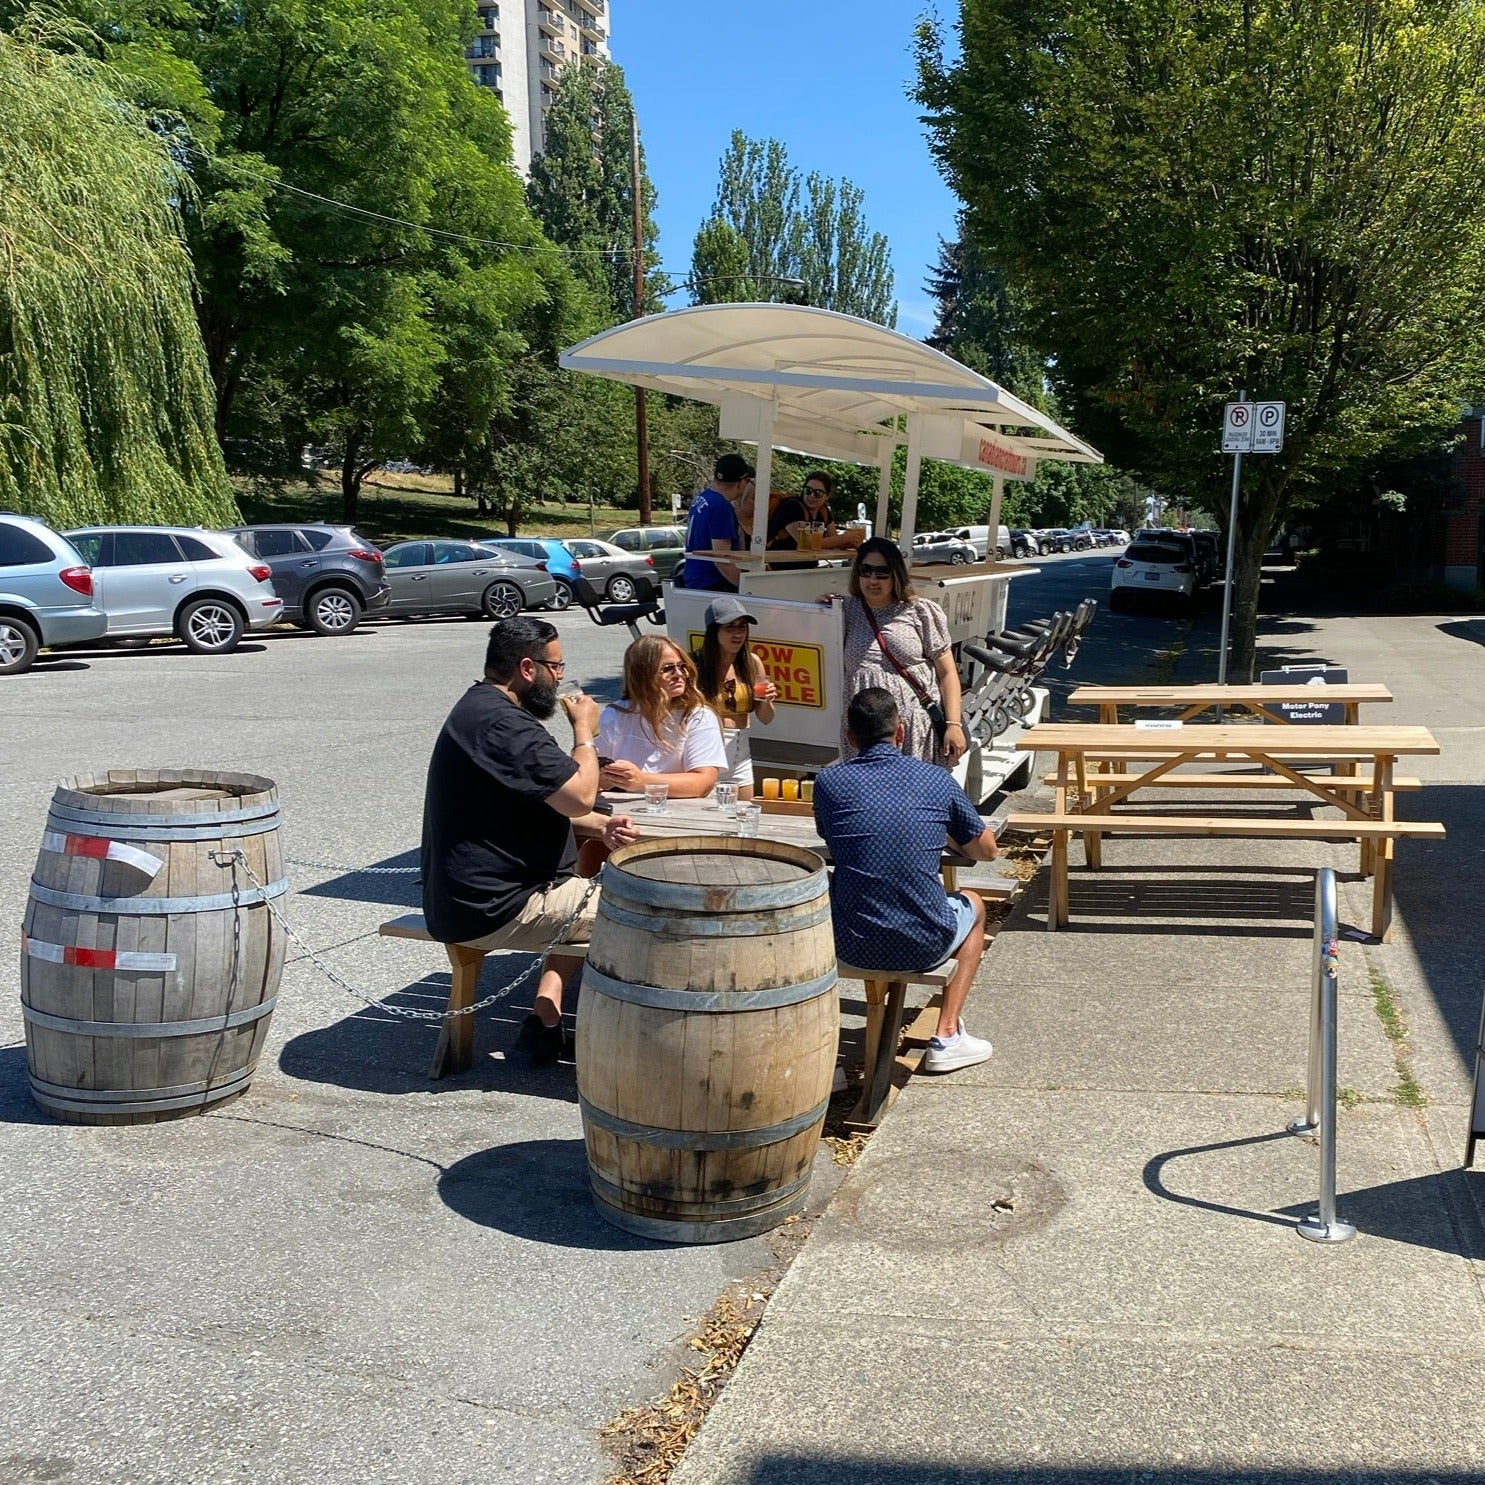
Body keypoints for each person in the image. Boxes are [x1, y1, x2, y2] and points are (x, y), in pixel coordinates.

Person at [420, 617, 639, 1064]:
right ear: (526, 667)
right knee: (650, 911)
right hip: (499, 905)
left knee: (624, 893)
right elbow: (578, 796)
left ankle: (551, 1018)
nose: (560, 677)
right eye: (556, 667)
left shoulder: (480, 708)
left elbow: (532, 800)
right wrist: (584, 731)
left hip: (466, 897)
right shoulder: (506, 725)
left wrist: (600, 828)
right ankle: (628, 1050)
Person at [812, 688, 998, 1074]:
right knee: (975, 903)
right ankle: (947, 1035)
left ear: (849, 737)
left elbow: (833, 838)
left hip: (850, 942)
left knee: (828, 885)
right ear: (900, 733)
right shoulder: (936, 780)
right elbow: (987, 850)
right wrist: (943, 830)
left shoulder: (829, 783)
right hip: (924, 942)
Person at [841, 536, 967, 767]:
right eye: (866, 571)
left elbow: (948, 673)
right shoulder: (844, 611)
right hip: (863, 732)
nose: (872, 580)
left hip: (912, 728)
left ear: (896, 574)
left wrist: (953, 725)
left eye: (882, 573)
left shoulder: (920, 612)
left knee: (916, 797)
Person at [597, 635, 729, 798]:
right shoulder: (615, 715)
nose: (679, 674)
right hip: (621, 813)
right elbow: (590, 773)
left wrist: (642, 781)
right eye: (668, 669)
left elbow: (703, 782)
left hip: (682, 813)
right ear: (642, 674)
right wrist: (605, 779)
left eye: (682, 667)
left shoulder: (699, 716)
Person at [693, 594, 778, 799]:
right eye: (730, 627)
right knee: (713, 818)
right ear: (714, 631)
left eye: (742, 627)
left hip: (742, 752)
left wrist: (767, 700)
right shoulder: (696, 664)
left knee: (746, 815)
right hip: (711, 753)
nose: (738, 633)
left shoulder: (752, 662)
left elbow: (766, 718)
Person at [681, 453, 754, 592]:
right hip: (712, 585)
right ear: (741, 482)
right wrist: (748, 588)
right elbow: (722, 561)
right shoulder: (721, 507)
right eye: (748, 480)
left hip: (694, 580)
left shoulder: (702, 498)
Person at [767, 470, 857, 553]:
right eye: (808, 490)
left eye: (818, 493)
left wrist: (851, 542)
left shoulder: (823, 511)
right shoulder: (792, 506)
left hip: (808, 566)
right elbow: (808, 543)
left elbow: (834, 539)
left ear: (827, 496)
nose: (812, 496)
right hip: (781, 567)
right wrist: (847, 537)